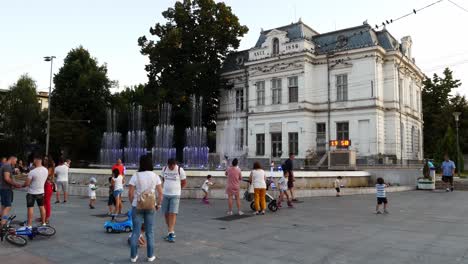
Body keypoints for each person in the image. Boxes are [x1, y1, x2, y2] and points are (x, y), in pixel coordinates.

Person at [128, 155, 163, 263]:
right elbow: (160, 193)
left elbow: (130, 193)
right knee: (150, 232)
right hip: (150, 206)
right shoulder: (155, 176)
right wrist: (158, 205)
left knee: (135, 232)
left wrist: (133, 203)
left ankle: (133, 257)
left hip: (137, 206)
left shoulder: (135, 175)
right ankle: (150, 256)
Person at [161, 158, 186, 243]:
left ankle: (171, 232)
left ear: (175, 164)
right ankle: (170, 231)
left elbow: (184, 182)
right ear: (168, 164)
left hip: (175, 195)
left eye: (173, 166)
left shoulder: (180, 170)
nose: (172, 167)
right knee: (166, 214)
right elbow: (163, 179)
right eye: (170, 166)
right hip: (165, 194)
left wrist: (178, 189)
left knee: (172, 213)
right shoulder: (164, 169)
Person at [22, 155, 48, 228]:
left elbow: (27, 183)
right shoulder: (45, 170)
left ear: (35, 160)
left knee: (30, 208)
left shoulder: (32, 172)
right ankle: (43, 223)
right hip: (41, 192)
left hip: (31, 193)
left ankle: (29, 225)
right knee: (42, 207)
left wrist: (21, 185)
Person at [0, 156, 21, 228]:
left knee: (3, 206)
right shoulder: (7, 166)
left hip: (3, 188)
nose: (16, 163)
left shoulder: (5, 166)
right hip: (6, 189)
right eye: (15, 161)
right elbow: (7, 178)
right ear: (12, 159)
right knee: (8, 206)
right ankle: (3, 224)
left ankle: (1, 221)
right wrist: (15, 184)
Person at [42, 157, 55, 224]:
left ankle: (46, 218)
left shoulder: (50, 168)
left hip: (47, 186)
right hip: (45, 185)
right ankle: (43, 216)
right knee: (44, 202)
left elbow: (46, 175)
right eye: (44, 159)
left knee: (46, 202)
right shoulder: (46, 168)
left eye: (46, 159)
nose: (44, 160)